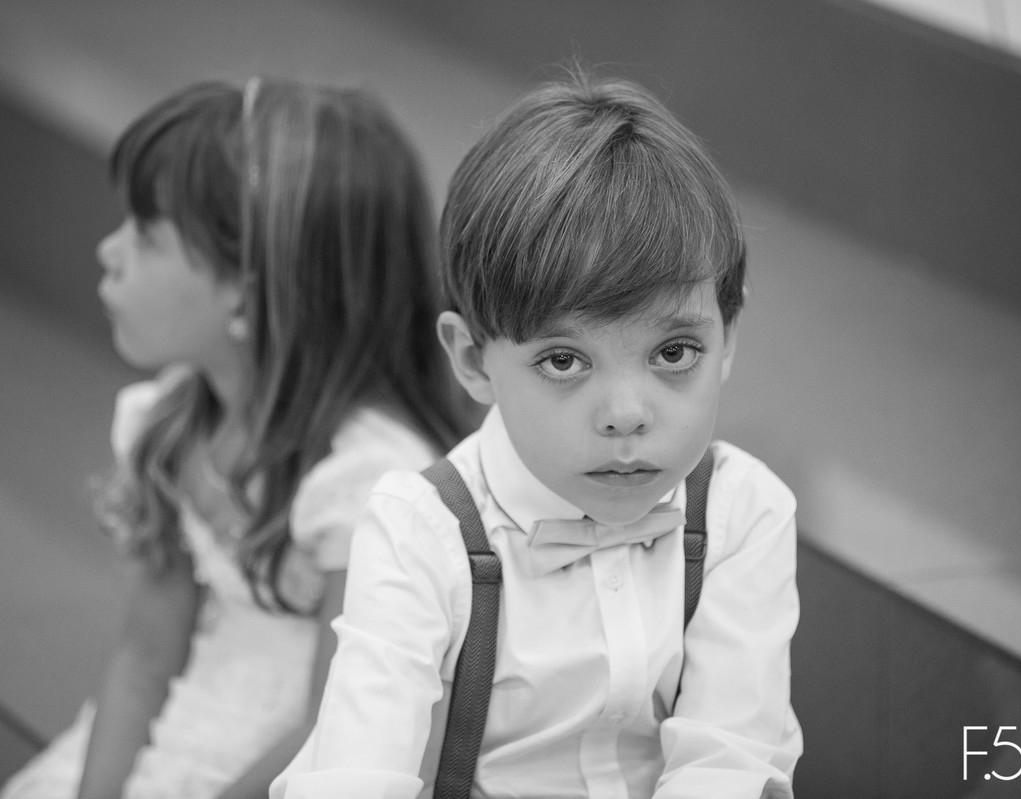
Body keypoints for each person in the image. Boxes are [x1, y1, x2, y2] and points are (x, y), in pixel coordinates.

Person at [271, 68, 803, 799]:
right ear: (471, 359)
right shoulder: (420, 531)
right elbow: (356, 772)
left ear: (728, 335)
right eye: (563, 360)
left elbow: (728, 760)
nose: (626, 412)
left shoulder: (742, 511)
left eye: (673, 353)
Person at [0, 76, 464, 799]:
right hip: (184, 728)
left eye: (147, 236)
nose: (109, 251)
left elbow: (334, 725)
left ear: (247, 295)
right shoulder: (173, 425)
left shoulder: (370, 482)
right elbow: (146, 657)